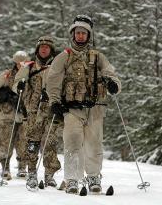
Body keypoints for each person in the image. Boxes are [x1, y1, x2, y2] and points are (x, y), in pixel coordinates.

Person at [46, 15, 121, 194]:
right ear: (73, 34)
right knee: (72, 142)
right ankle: (72, 179)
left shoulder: (98, 57)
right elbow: (53, 81)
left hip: (95, 108)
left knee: (94, 144)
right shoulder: (64, 57)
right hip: (71, 108)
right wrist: (54, 102)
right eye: (77, 33)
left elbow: (111, 73)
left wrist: (113, 84)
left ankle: (94, 177)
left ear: (89, 36)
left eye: (84, 33)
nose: (80, 36)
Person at [13, 36, 61, 189]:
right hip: (33, 111)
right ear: (37, 50)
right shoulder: (29, 66)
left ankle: (49, 175)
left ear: (51, 50)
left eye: (47, 47)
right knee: (32, 143)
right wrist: (19, 85)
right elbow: (16, 84)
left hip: (52, 110)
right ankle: (32, 173)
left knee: (50, 142)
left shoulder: (58, 65)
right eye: (42, 47)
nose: (44, 49)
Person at [0, 51, 29, 180]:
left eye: (23, 62)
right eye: (18, 62)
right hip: (8, 112)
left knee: (22, 141)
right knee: (6, 141)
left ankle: (22, 167)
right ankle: (5, 167)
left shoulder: (30, 73)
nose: (20, 64)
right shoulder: (8, 74)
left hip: (24, 112)